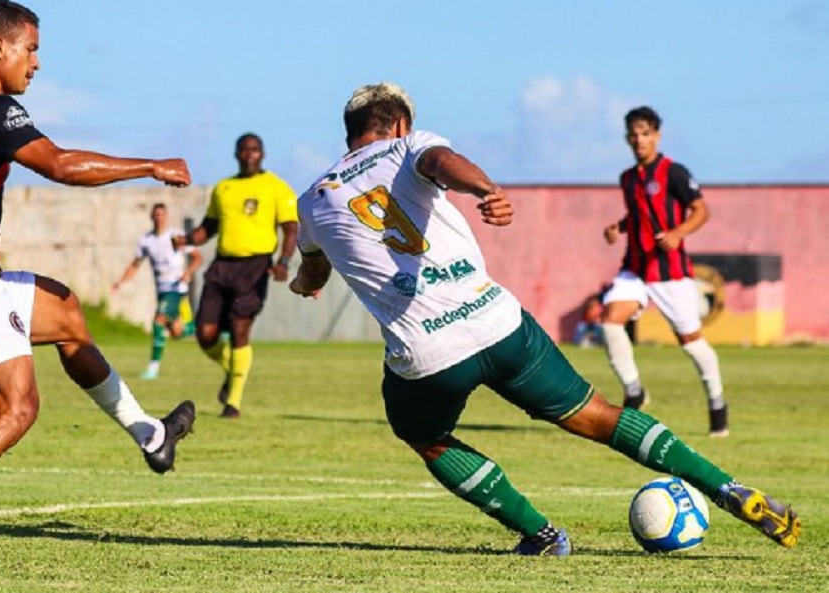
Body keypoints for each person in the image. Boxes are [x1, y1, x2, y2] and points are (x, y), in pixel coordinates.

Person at [289, 82, 800, 556]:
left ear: (351, 130)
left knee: (427, 437)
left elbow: (313, 265)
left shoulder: (312, 199)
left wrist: (304, 285)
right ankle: (726, 486)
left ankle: (542, 533)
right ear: (399, 124)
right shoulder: (407, 147)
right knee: (598, 415)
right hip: (499, 323)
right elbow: (442, 162)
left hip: (428, 355)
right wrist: (486, 189)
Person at [0, 1, 196, 546]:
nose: (36, 63)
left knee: (69, 313)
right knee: (16, 408)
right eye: (31, 49)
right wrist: (149, 167)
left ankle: (152, 436)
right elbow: (61, 165)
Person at [601, 106, 728, 437]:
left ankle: (717, 405)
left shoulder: (674, 172)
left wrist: (678, 233)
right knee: (611, 319)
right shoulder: (627, 178)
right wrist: (619, 227)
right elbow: (638, 216)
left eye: (645, 133)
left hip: (670, 271)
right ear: (627, 137)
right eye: (634, 134)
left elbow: (701, 211)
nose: (639, 140)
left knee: (690, 341)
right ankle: (634, 391)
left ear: (656, 135)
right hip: (635, 268)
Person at [173, 133, 297, 419]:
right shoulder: (223, 188)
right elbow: (209, 227)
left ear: (262, 154)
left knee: (240, 329)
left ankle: (233, 403)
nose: (249, 154)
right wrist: (187, 239)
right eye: (244, 150)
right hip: (221, 266)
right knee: (205, 335)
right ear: (236, 154)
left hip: (255, 267)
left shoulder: (276, 187)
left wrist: (284, 262)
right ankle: (234, 370)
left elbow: (291, 229)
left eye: (254, 150)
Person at [112, 203, 202, 379]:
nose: (159, 218)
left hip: (176, 289)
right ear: (152, 217)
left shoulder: (176, 237)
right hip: (161, 291)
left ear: (166, 217)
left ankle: (153, 368)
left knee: (158, 321)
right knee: (176, 332)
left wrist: (188, 272)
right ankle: (200, 329)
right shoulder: (147, 241)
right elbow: (135, 264)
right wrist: (120, 282)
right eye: (156, 215)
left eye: (162, 214)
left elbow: (197, 256)